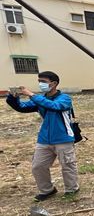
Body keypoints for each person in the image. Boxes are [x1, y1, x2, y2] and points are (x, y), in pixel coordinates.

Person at [5, 71, 79, 200]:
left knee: (68, 165)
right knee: (38, 166)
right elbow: (22, 107)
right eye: (39, 81)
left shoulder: (64, 98)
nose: (40, 84)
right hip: (44, 139)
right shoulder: (40, 99)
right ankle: (47, 190)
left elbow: (55, 106)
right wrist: (13, 97)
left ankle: (71, 189)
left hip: (63, 138)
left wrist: (32, 95)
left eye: (43, 82)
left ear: (54, 83)